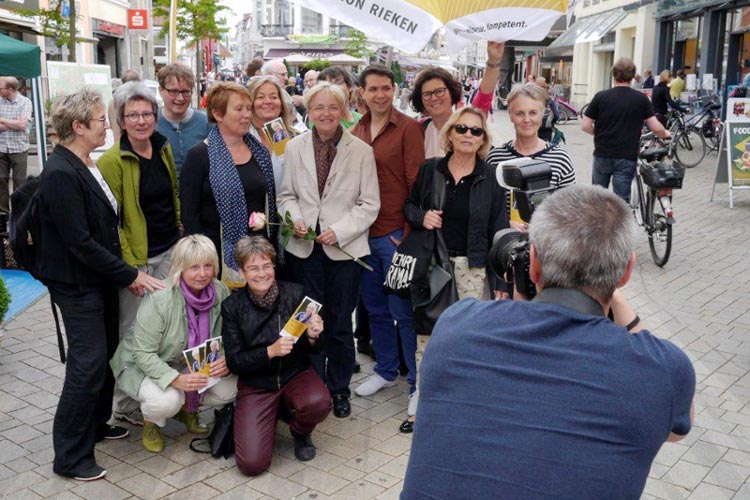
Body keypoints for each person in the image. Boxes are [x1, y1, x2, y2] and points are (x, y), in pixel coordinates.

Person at [401, 185, 696, 499]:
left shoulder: (456, 327)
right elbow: (679, 428)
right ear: (626, 272)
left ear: (534, 262)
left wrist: (521, 298)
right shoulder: (662, 369)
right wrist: (621, 305)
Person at [36, 88, 163, 481]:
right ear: (78, 127)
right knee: (86, 365)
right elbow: (80, 242)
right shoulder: (59, 173)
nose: (107, 124)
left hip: (99, 281)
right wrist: (130, 273)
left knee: (105, 355)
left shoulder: (85, 163)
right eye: (101, 119)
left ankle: (95, 426)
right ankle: (70, 456)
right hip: (77, 287)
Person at [400, 107, 506, 434]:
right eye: (462, 129)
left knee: (466, 337)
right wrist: (422, 218)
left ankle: (461, 402)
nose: (468, 136)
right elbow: (409, 206)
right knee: (427, 335)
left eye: (476, 131)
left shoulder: (491, 178)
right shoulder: (431, 169)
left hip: (472, 267)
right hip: (433, 266)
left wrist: (500, 280)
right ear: (449, 134)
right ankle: (421, 400)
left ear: (484, 139)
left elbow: (499, 231)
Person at [278, 82, 380, 418]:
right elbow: (286, 196)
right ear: (308, 109)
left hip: (343, 251)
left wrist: (340, 230)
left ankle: (338, 388)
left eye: (332, 107)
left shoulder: (361, 151)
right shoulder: (294, 148)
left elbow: (369, 204)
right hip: (304, 249)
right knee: (308, 319)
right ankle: (311, 385)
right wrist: (296, 220)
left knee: (338, 321)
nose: (325, 113)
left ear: (343, 110)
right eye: (318, 107)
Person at [97, 82, 182, 425]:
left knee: (166, 324)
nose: (142, 121)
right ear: (120, 120)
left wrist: (178, 226)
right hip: (139, 261)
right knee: (132, 329)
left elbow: (172, 192)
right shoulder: (111, 160)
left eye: (147, 113)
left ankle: (163, 388)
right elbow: (111, 221)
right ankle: (125, 402)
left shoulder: (161, 147)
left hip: (169, 251)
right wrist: (131, 270)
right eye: (133, 115)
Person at [110, 235, 237, 453]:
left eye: (208, 266)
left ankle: (188, 408)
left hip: (191, 362)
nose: (203, 274)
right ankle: (152, 422)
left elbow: (227, 335)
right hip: (141, 365)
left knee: (231, 389)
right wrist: (176, 379)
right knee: (166, 400)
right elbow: (142, 353)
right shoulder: (161, 298)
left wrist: (224, 360)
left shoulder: (220, 291)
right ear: (180, 267)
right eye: (194, 267)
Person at [222, 236, 331, 476]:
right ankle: (271, 414)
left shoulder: (295, 293)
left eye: (266, 266)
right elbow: (234, 361)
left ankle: (300, 432)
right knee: (252, 465)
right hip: (257, 384)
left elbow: (314, 349)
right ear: (241, 272)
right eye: (253, 268)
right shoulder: (232, 306)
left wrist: (314, 335)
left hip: (295, 374)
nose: (261, 274)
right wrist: (269, 352)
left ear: (274, 266)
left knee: (319, 402)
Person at [351, 64, 424, 399]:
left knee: (403, 313)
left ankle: (415, 384)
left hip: (394, 235)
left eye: (386, 88)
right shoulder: (356, 131)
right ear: (362, 93)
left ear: (394, 90)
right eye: (374, 89)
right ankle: (386, 370)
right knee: (375, 309)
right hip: (363, 238)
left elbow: (416, 185)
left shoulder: (408, 128)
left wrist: (408, 235)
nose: (381, 95)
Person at [180, 82, 278, 284]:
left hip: (259, 253)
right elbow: (190, 215)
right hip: (216, 256)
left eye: (248, 108)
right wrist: (202, 261)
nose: (246, 115)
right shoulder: (199, 156)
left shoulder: (259, 152)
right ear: (218, 114)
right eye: (239, 109)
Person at [582, 58, 671, 203]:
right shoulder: (641, 99)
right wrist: (666, 133)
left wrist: (598, 133)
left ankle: (598, 224)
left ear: (614, 74)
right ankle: (619, 225)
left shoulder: (601, 97)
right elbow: (655, 127)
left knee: (597, 200)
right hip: (626, 156)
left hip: (602, 154)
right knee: (621, 202)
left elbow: (585, 125)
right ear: (632, 76)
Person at [487, 83, 575, 229]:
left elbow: (569, 210)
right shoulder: (496, 158)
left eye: (533, 113)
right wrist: (505, 223)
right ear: (510, 115)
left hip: (545, 244)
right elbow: (486, 206)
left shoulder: (560, 158)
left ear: (542, 115)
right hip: (505, 242)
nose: (527, 119)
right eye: (520, 113)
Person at [156, 63, 211, 178]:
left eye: (186, 92)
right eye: (173, 91)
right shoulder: (151, 123)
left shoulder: (206, 124)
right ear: (161, 91)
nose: (180, 98)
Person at [247, 76, 297, 188]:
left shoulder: (294, 137)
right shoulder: (242, 137)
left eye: (273, 97)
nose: (268, 101)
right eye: (260, 97)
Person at [0, 76, 32, 214]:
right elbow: (19, 124)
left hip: (19, 147)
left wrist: (2, 119)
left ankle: (20, 215)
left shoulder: (25, 102)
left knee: (20, 182)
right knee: (1, 181)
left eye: (0, 88)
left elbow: (23, 124)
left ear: (10, 89)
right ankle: (3, 215)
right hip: (1, 147)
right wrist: (15, 122)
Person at [109, 69, 141, 142]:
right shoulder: (135, 101)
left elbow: (111, 124)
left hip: (117, 144)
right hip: (131, 145)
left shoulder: (112, 100)